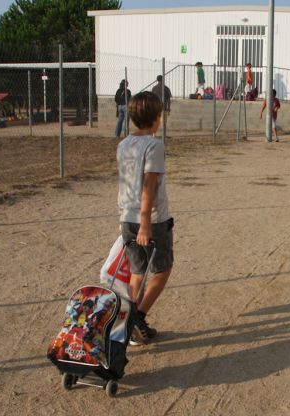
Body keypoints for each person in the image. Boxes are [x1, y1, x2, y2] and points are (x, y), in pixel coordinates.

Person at [116, 91, 173, 345]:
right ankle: (137, 318)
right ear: (156, 118)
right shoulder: (154, 145)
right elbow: (148, 186)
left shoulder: (124, 144)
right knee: (162, 269)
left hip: (127, 217)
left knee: (138, 272)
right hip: (151, 220)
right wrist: (146, 223)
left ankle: (128, 324)